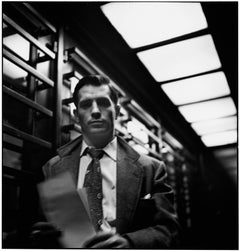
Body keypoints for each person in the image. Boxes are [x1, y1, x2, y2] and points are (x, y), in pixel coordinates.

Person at [31, 74, 180, 248]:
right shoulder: (53, 167)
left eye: (102, 103)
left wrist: (129, 243)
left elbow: (169, 230)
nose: (95, 111)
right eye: (86, 105)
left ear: (116, 111)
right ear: (76, 115)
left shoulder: (151, 169)